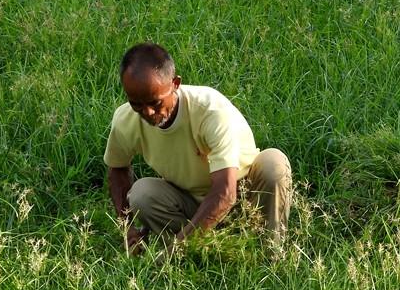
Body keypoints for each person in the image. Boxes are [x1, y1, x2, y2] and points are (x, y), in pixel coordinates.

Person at [103, 42, 292, 256]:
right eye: (136, 104)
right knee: (141, 194)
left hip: (246, 196)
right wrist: (127, 229)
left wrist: (179, 247)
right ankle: (206, 250)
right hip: (190, 202)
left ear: (175, 83)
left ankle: (270, 253)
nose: (146, 112)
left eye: (155, 103)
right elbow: (117, 171)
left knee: (274, 163)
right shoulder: (125, 120)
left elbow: (225, 191)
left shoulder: (210, 111)